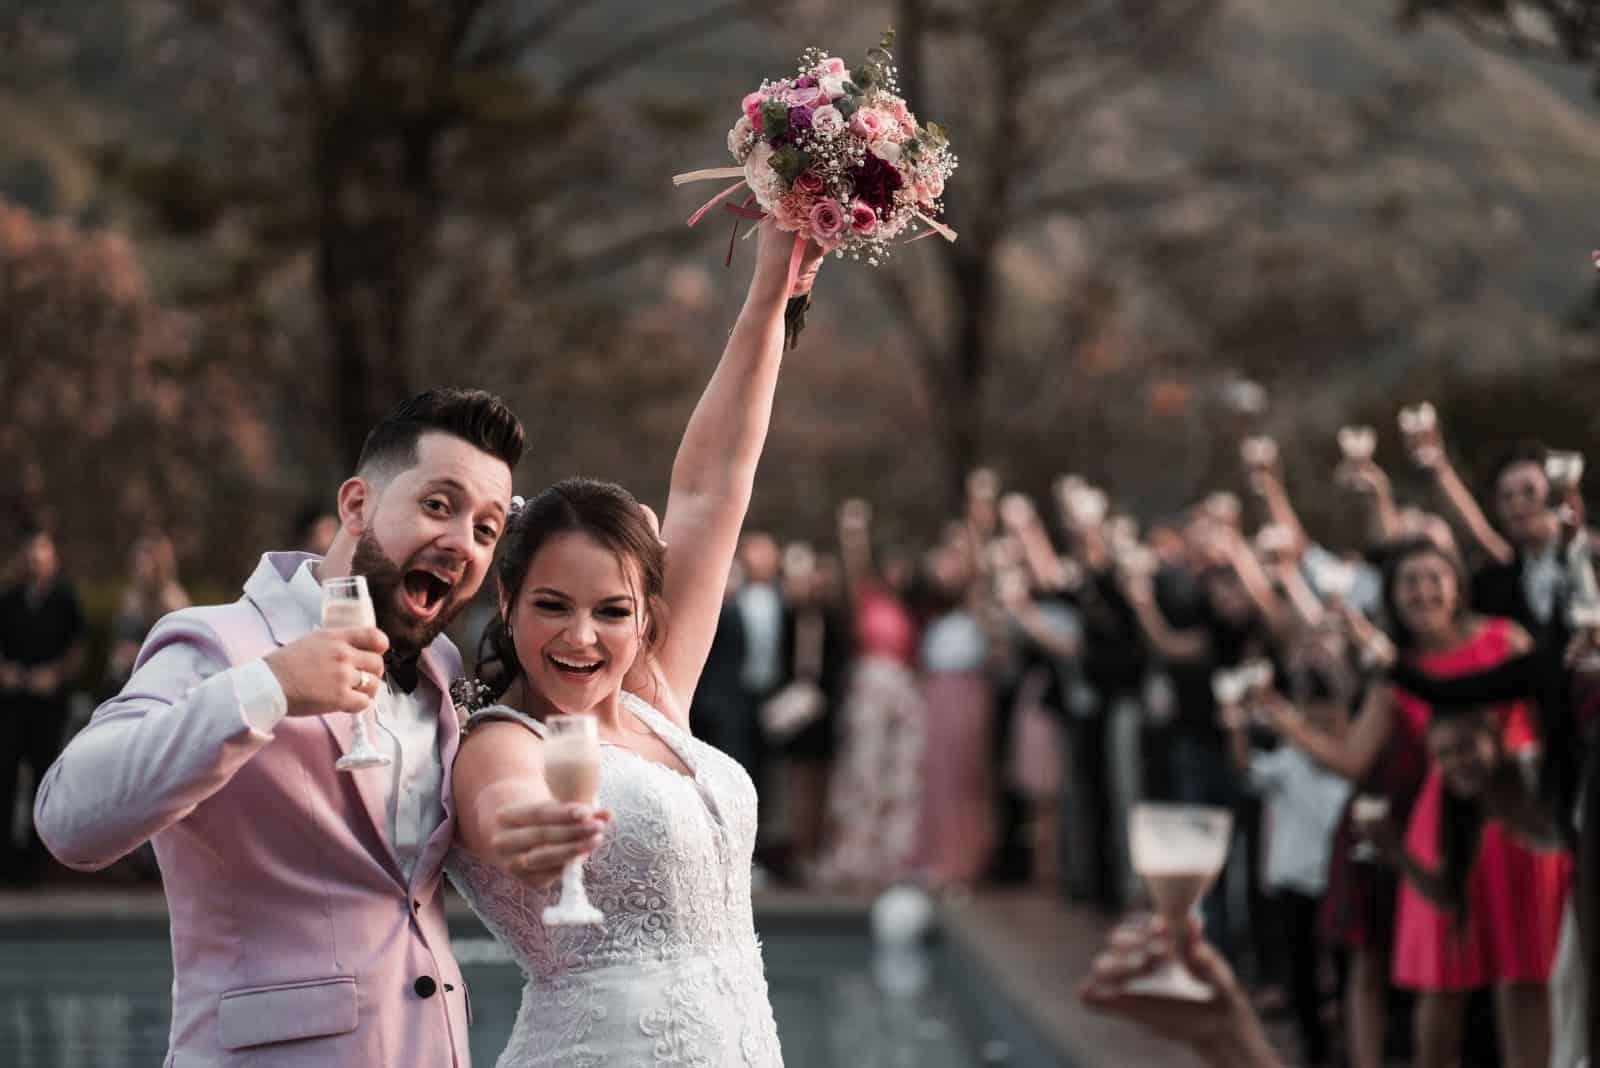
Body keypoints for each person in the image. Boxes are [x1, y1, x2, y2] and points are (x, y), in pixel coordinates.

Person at [34, 389, 533, 1065]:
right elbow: (68, 816)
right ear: (356, 505)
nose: (459, 541)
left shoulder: (443, 668)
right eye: (438, 505)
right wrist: (269, 687)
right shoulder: (218, 643)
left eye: (485, 528)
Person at [446, 221, 824, 1067]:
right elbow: (501, 806)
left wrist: (773, 283)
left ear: (643, 615)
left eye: (612, 611)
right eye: (552, 605)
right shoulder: (497, 738)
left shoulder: (655, 700)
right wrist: (526, 830)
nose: (583, 637)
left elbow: (713, 483)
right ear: (506, 601)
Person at [1266, 538, 1567, 1068]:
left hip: (1516, 819)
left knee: (1527, 972)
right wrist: (1284, 722)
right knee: (1440, 977)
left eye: (1435, 577)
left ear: (1457, 585)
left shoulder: (1505, 638)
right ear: (1393, 596)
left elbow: (1548, 721)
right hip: (1441, 826)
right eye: (1409, 582)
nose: (1424, 591)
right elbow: (1354, 758)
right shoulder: (1393, 671)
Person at [1223, 672, 1352, 1067]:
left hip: (1339, 882)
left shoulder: (1351, 762)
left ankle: (1347, 1045)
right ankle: (1313, 1048)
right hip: (1294, 879)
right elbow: (1246, 769)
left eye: (1328, 715)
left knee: (1346, 972)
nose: (1320, 722)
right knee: (1301, 970)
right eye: (1312, 715)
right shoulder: (1289, 759)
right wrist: (1236, 727)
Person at [0, 525, 85, 883]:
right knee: (5, 773)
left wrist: (53, 675)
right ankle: (6, 858)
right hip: (12, 704)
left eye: (42, 552)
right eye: (31, 552)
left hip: (49, 705)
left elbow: (77, 651)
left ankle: (36, 864)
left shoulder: (66, 600)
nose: (36, 559)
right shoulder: (10, 598)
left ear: (53, 557)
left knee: (42, 777)